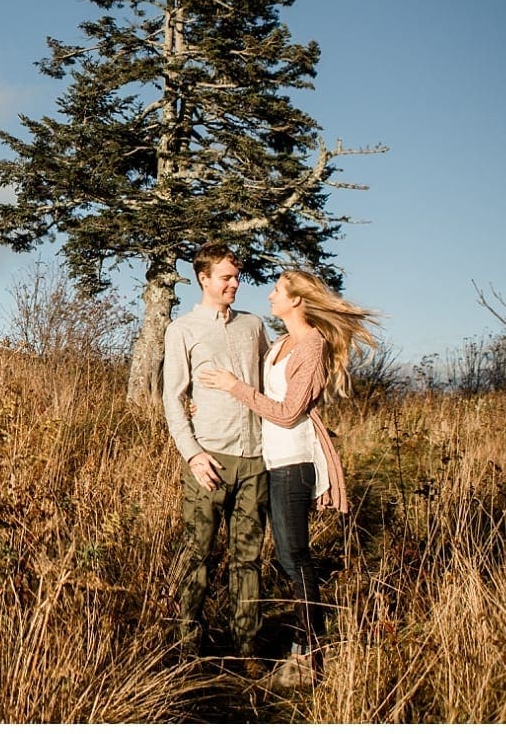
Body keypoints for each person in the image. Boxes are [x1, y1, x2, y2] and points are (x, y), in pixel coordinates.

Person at [198, 269, 376, 690]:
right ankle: (305, 648)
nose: (270, 295)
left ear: (297, 300)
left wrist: (233, 386)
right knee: (288, 556)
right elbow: (263, 399)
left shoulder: (312, 346)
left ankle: (309, 655)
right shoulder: (280, 343)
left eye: (278, 290)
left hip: (295, 461)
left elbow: (287, 412)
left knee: (295, 557)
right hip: (272, 459)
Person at [161, 243, 270, 668]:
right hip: (209, 460)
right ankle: (188, 646)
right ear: (204, 278)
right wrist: (192, 455)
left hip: (255, 458)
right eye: (226, 277)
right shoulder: (183, 329)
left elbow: (271, 381)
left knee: (248, 557)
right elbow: (173, 397)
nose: (234, 284)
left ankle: (248, 647)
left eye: (237, 277)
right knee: (198, 552)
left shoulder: (254, 325)